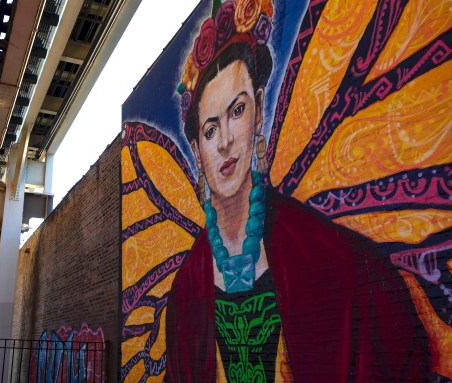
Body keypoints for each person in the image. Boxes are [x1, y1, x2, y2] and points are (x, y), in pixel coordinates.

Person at [165, 1, 429, 381]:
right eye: (209, 130)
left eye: (237, 111)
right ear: (196, 150)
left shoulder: (324, 253)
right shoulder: (189, 283)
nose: (224, 141)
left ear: (258, 110)